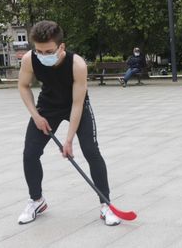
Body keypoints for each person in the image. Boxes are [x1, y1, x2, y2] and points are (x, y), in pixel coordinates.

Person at [17, 20, 121, 226]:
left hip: (76, 106)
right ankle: (37, 200)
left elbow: (76, 104)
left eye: (49, 51)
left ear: (61, 46)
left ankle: (106, 204)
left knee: (91, 151)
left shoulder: (77, 65)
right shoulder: (30, 59)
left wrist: (68, 140)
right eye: (39, 51)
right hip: (47, 106)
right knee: (30, 153)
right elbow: (23, 86)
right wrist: (36, 116)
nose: (43, 56)